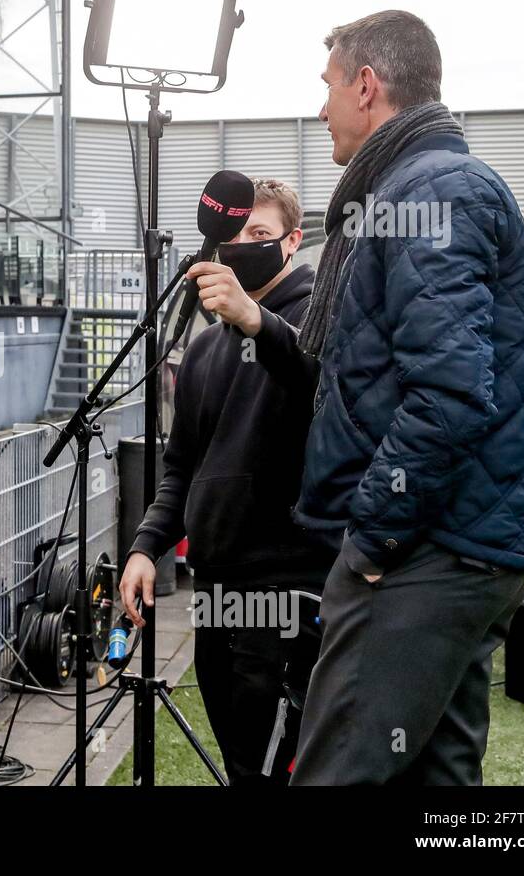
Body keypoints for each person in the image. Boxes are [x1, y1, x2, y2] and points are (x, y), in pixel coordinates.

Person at [290, 11, 524, 785]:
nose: (321, 111)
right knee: (438, 782)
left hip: (425, 550)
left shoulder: (432, 188)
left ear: (367, 86)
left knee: (339, 774)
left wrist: (375, 539)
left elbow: (448, 391)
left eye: (329, 88)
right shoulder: (429, 184)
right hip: (462, 543)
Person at [119, 179, 335, 785]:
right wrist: (145, 545)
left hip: (291, 587)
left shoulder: (322, 314)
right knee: (243, 767)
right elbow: (182, 466)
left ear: (293, 242)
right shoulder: (207, 347)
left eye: (261, 234)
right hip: (217, 589)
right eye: (235, 234)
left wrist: (257, 322)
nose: (244, 246)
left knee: (277, 770)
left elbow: (327, 382)